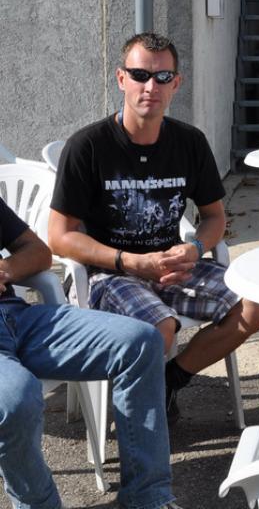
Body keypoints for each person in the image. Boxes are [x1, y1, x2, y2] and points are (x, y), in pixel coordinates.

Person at [48, 32, 259, 423]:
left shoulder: (190, 142)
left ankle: (171, 379)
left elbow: (215, 217)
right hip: (109, 272)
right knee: (159, 328)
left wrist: (194, 249)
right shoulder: (89, 146)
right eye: (140, 75)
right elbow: (59, 236)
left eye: (163, 77)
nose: (151, 86)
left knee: (254, 305)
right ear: (121, 79)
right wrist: (130, 261)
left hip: (172, 266)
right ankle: (142, 427)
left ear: (176, 83)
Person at [0, 198, 181, 509]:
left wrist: (5, 270)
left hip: (18, 318)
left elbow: (38, 252)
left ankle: (147, 498)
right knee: (15, 399)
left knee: (140, 342)